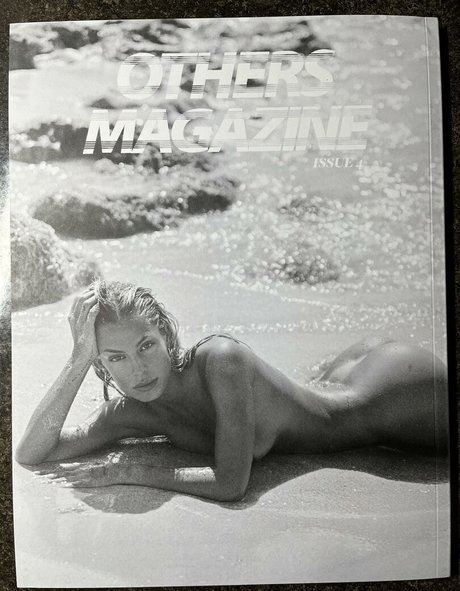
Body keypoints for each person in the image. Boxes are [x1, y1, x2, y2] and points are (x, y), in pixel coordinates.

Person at [15, 281, 449, 502]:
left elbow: (230, 484)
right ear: (102, 364)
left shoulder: (221, 360)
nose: (138, 369)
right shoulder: (130, 414)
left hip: (392, 395)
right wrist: (77, 360)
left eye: (146, 345)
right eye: (117, 357)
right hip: (336, 376)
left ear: (167, 336)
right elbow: (33, 452)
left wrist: (130, 471)